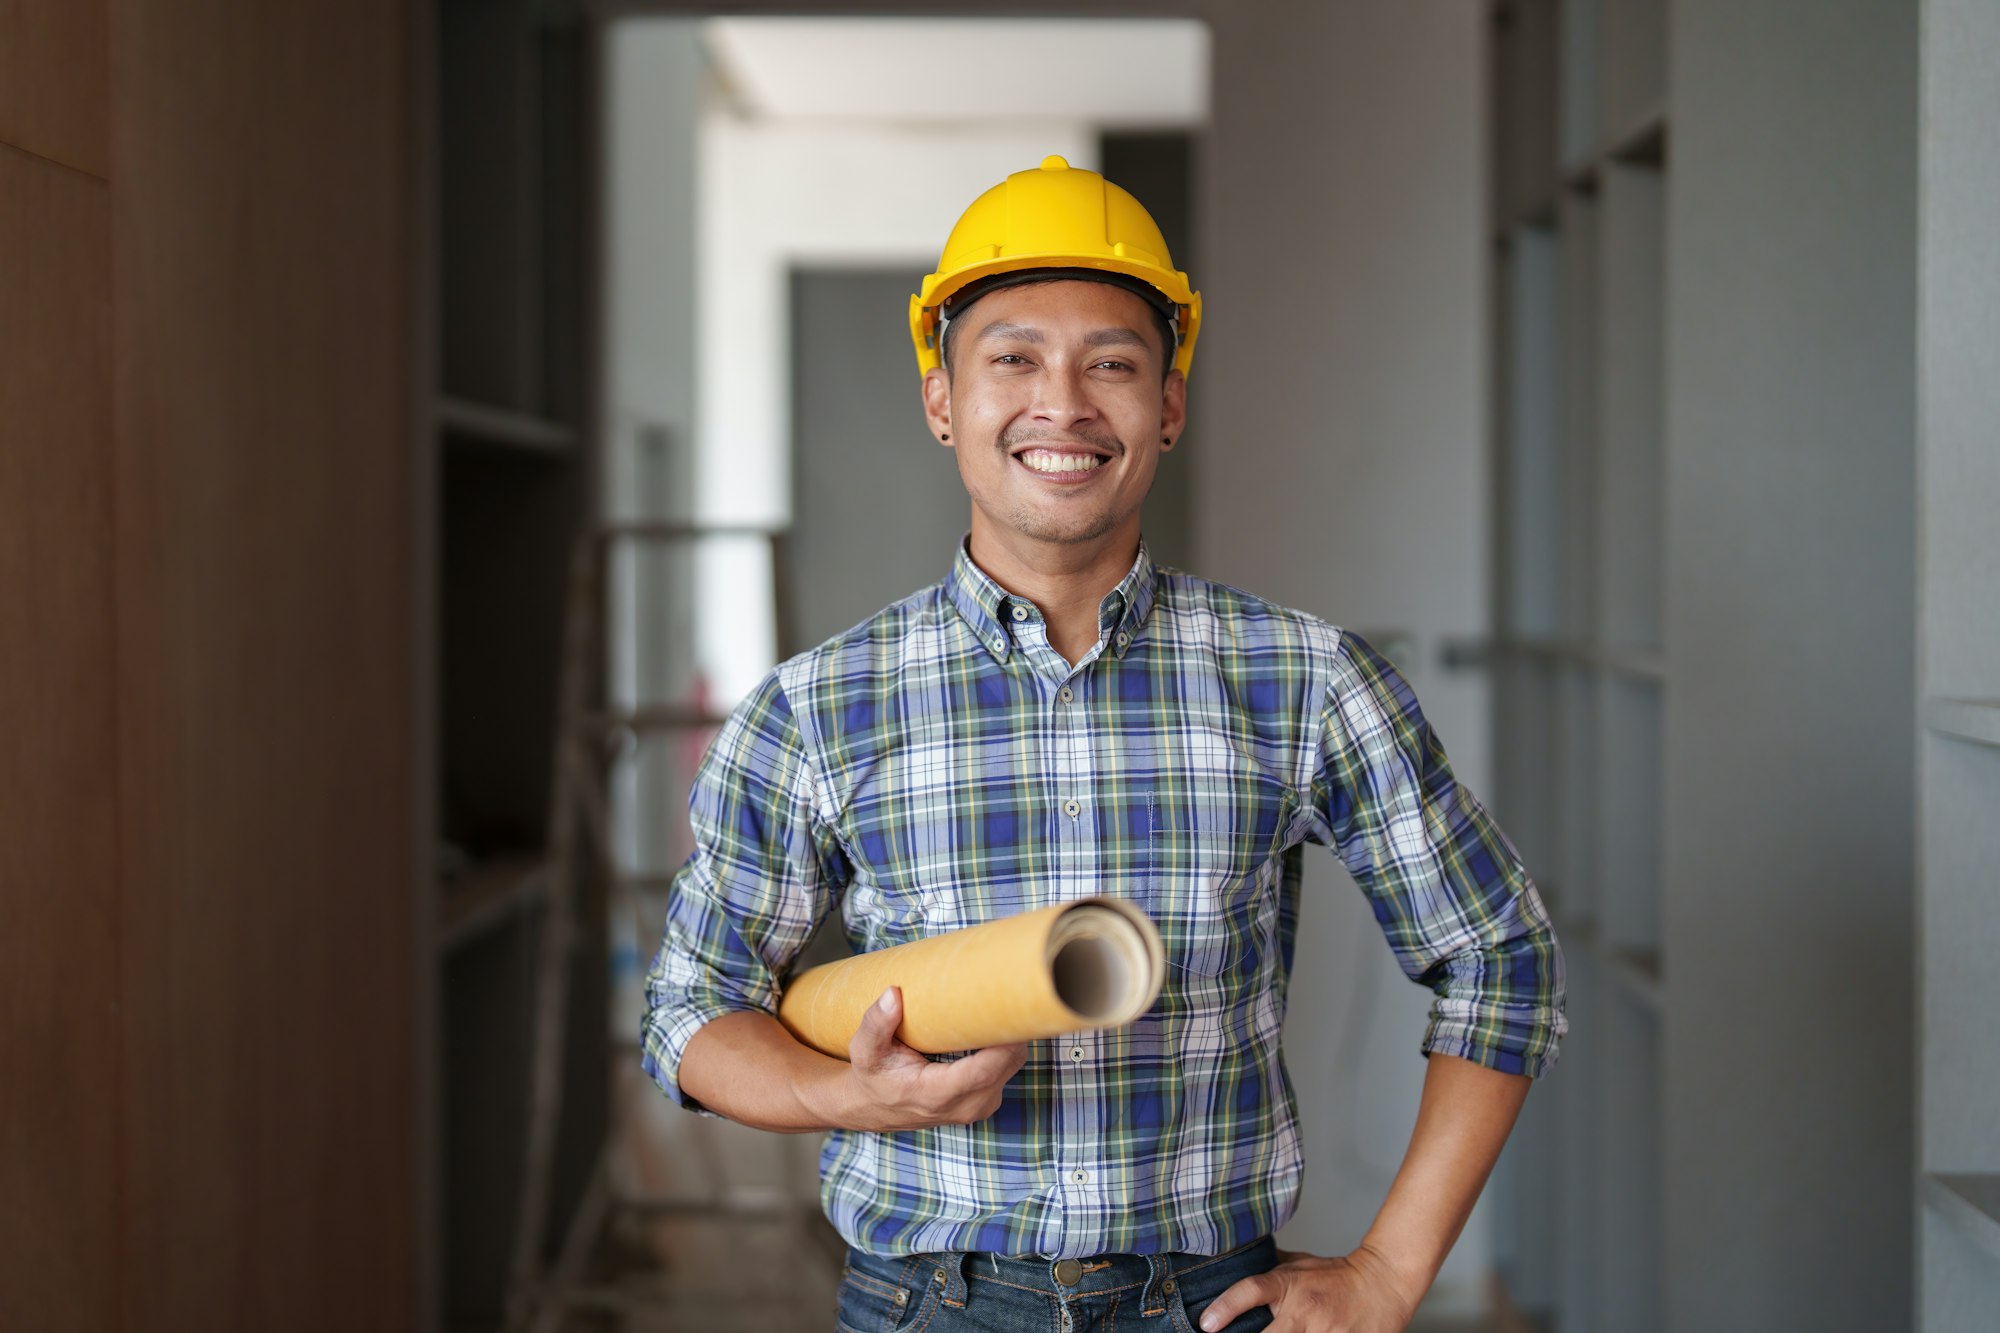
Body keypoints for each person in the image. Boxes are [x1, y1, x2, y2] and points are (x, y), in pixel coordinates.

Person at [642, 155, 1566, 1333]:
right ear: (940, 398)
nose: (1062, 404)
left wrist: (1388, 1271)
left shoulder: (1304, 678)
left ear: (1168, 406)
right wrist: (850, 1095)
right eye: (1012, 357)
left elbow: (1499, 956)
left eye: (1112, 364)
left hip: (1209, 1302)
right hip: (928, 1305)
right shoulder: (816, 707)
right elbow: (689, 1008)